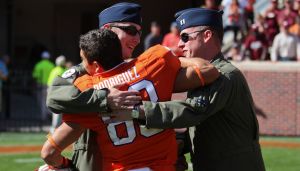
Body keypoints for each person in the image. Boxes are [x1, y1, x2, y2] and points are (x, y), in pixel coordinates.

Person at [43, 3, 219, 171]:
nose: (137, 38)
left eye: (139, 32)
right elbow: (207, 71)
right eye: (130, 30)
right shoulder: (155, 60)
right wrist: (172, 59)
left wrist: (64, 166)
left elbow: (49, 152)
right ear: (107, 31)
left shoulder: (87, 84)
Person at [108, 8, 266, 171]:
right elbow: (206, 127)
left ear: (207, 36)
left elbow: (192, 111)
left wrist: (136, 111)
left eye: (185, 37)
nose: (179, 44)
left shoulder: (224, 75)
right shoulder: (206, 73)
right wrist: (179, 146)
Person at [32, 51, 55, 121]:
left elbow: (35, 76)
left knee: (41, 101)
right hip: (50, 85)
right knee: (49, 100)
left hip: (41, 85)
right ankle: (50, 114)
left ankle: (43, 116)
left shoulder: (38, 65)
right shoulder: (52, 65)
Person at [47, 55, 67, 133]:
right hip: (58, 93)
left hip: (53, 92)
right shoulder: (61, 70)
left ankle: (55, 129)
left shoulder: (54, 70)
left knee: (57, 112)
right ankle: (54, 130)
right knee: (58, 113)